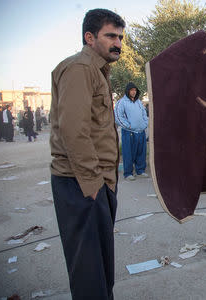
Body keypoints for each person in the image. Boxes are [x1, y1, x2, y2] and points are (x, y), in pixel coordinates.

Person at [49, 8, 125, 299]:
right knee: (89, 271)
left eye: (120, 37)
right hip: (81, 182)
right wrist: (93, 186)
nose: (117, 43)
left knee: (100, 266)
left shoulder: (97, 71)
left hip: (96, 181)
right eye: (110, 36)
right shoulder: (80, 69)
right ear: (89, 37)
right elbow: (74, 131)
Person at [114, 82, 149, 181]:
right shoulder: (122, 102)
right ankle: (128, 173)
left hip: (140, 131)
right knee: (128, 153)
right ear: (128, 91)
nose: (133, 92)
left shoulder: (138, 102)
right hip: (129, 132)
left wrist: (144, 124)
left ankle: (140, 171)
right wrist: (128, 125)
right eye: (131, 90)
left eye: (135, 90)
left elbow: (144, 113)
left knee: (141, 152)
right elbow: (118, 116)